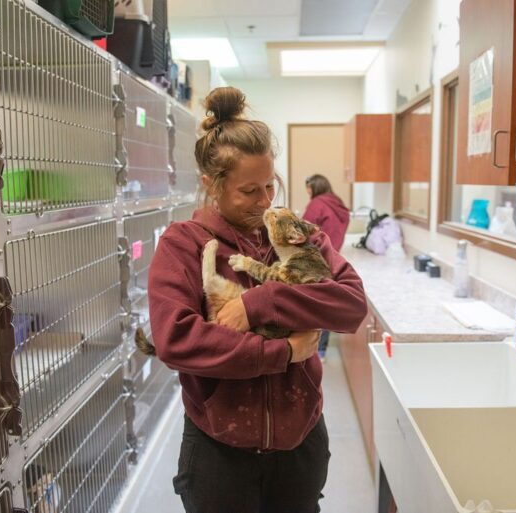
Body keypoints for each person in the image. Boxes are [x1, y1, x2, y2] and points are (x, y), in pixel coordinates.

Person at [147, 87, 367, 513]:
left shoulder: (296, 235)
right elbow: (176, 340)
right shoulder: (183, 245)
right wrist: (280, 352)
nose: (266, 201)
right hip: (219, 450)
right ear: (212, 185)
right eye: (249, 191)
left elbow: (350, 304)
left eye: (271, 185)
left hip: (299, 441)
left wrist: (260, 303)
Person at [302, 174, 351, 362]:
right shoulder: (338, 204)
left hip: (316, 260)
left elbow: (304, 231)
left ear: (315, 187)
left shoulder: (317, 204)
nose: (308, 193)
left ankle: (311, 350)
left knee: (312, 307)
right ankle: (321, 351)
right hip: (333, 258)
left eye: (308, 189)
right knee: (326, 305)